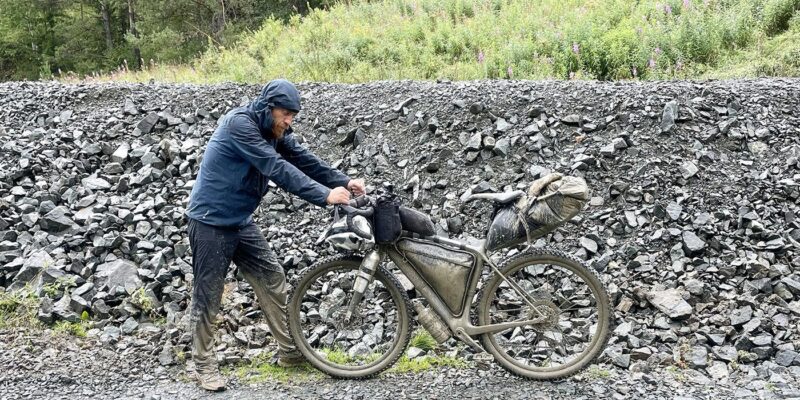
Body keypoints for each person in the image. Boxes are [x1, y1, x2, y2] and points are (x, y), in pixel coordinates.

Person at [184, 79, 365, 391]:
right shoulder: (239, 125)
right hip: (210, 222)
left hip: (239, 220)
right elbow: (275, 167)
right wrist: (324, 195)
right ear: (268, 108)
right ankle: (203, 365)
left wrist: (344, 181)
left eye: (293, 115)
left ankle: (290, 352)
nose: (289, 120)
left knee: (272, 277)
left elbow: (304, 160)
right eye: (285, 114)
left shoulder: (275, 131)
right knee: (209, 294)